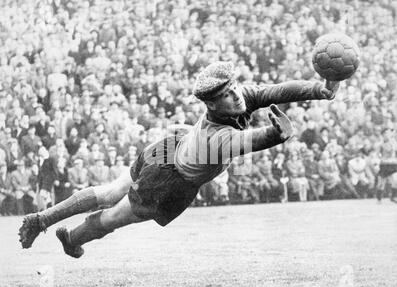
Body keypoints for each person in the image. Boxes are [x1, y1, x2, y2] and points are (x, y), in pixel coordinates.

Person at [19, 61, 338, 258]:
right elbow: (245, 141)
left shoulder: (238, 99)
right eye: (226, 94)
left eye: (234, 88)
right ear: (213, 104)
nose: (237, 95)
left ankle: (43, 219)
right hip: (169, 181)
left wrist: (319, 89)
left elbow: (278, 91)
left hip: (170, 146)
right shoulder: (216, 136)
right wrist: (274, 135)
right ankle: (70, 238)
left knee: (109, 192)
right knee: (115, 215)